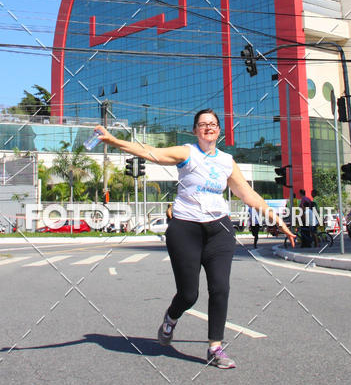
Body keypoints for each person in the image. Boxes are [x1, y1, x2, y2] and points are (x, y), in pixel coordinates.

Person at [93, 109, 295, 368]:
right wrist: (113, 141)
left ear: (219, 130)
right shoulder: (187, 153)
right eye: (203, 124)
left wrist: (277, 220)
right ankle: (171, 319)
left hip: (219, 230)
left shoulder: (226, 161)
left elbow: (247, 195)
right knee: (188, 294)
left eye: (212, 124)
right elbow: (149, 152)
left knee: (220, 288)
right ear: (195, 130)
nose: (208, 127)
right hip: (185, 228)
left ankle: (215, 347)